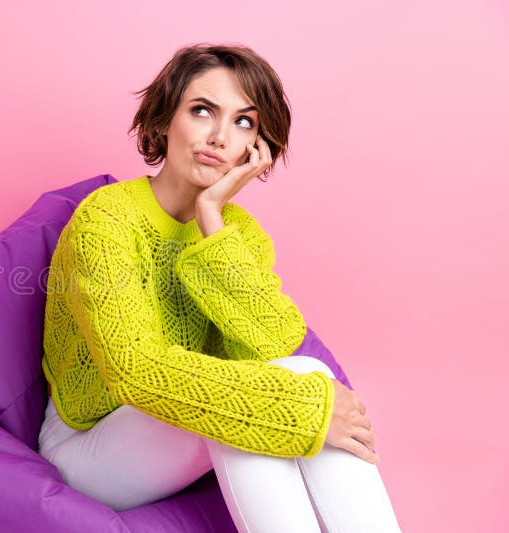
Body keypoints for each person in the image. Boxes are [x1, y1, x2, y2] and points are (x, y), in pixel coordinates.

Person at [38, 43, 402, 532]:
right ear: (165, 119)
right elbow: (134, 372)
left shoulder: (239, 232)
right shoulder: (107, 219)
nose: (218, 136)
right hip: (89, 440)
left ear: (256, 146)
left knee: (292, 378)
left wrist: (212, 219)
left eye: (243, 122)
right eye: (202, 110)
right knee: (254, 409)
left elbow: (271, 347)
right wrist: (300, 406)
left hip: (173, 426)